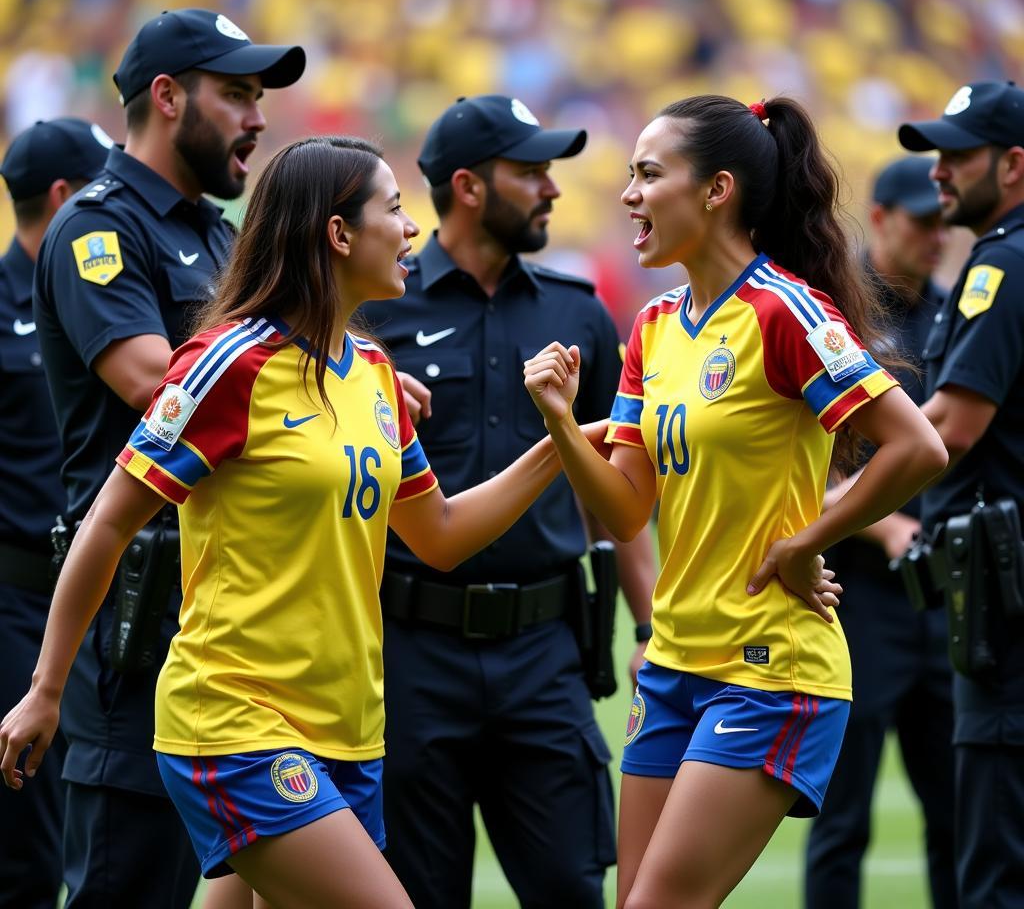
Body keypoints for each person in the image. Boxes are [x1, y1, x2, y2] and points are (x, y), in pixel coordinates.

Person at [1, 135, 610, 908]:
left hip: (347, 731)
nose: (412, 229)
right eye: (393, 209)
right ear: (338, 233)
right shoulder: (230, 362)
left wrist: (561, 443)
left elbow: (442, 535)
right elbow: (109, 521)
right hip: (236, 722)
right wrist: (46, 689)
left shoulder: (377, 374)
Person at [524, 94, 949, 909]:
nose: (629, 195)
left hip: (770, 669)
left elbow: (918, 447)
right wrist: (561, 423)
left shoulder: (785, 310)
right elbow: (623, 512)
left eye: (649, 174)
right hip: (675, 662)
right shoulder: (651, 326)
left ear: (717, 190)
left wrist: (806, 542)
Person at [28, 8, 305, 908]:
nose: (257, 119)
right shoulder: (99, 230)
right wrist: (315, 395)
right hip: (138, 613)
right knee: (130, 885)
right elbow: (155, 381)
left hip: (231, 613)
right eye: (237, 95)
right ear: (168, 95)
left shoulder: (221, 237)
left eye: (259, 97)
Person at [358, 94, 657, 909]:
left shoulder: (580, 311)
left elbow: (618, 492)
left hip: (545, 653)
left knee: (570, 888)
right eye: (530, 172)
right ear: (468, 185)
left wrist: (652, 630)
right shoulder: (371, 305)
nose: (551, 189)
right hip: (408, 651)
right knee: (418, 894)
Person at [804, 155, 957, 909]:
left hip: (943, 599)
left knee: (957, 812)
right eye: (924, 223)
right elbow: (799, 460)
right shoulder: (835, 309)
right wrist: (886, 523)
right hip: (856, 600)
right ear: (886, 216)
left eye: (944, 222)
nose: (938, 237)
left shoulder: (957, 309)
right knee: (842, 817)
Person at [897, 80, 1024, 908]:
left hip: (1005, 607)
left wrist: (817, 511)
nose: (940, 173)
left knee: (995, 874)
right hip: (995, 588)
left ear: (1013, 165)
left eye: (959, 156)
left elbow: (953, 424)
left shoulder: (1003, 261)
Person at [0, 117, 113, 909]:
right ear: (68, 196)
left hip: (115, 594)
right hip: (17, 599)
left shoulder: (121, 295)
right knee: (24, 844)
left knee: (117, 828)